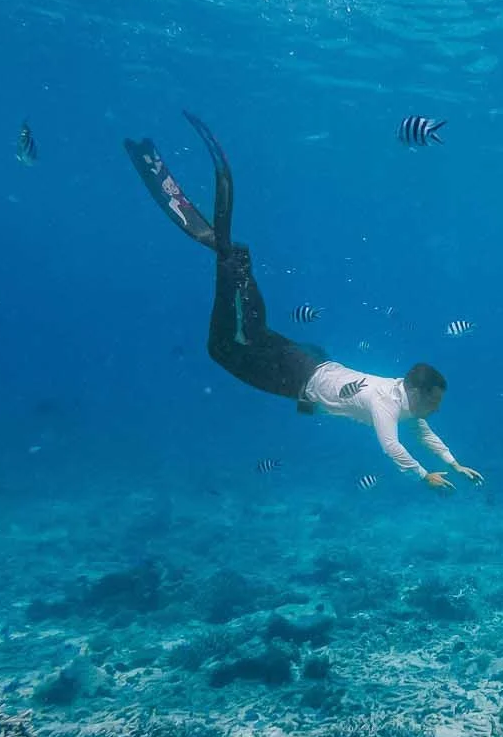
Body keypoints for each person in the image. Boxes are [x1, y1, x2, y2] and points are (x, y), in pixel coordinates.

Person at [124, 113, 484, 491]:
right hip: (298, 376)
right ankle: (232, 262)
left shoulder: (403, 396)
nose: (437, 409)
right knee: (221, 348)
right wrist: (423, 475)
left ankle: (237, 263)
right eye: (435, 401)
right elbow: (391, 445)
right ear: (416, 392)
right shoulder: (386, 404)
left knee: (255, 332)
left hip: (311, 362)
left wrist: (454, 463)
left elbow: (425, 434)